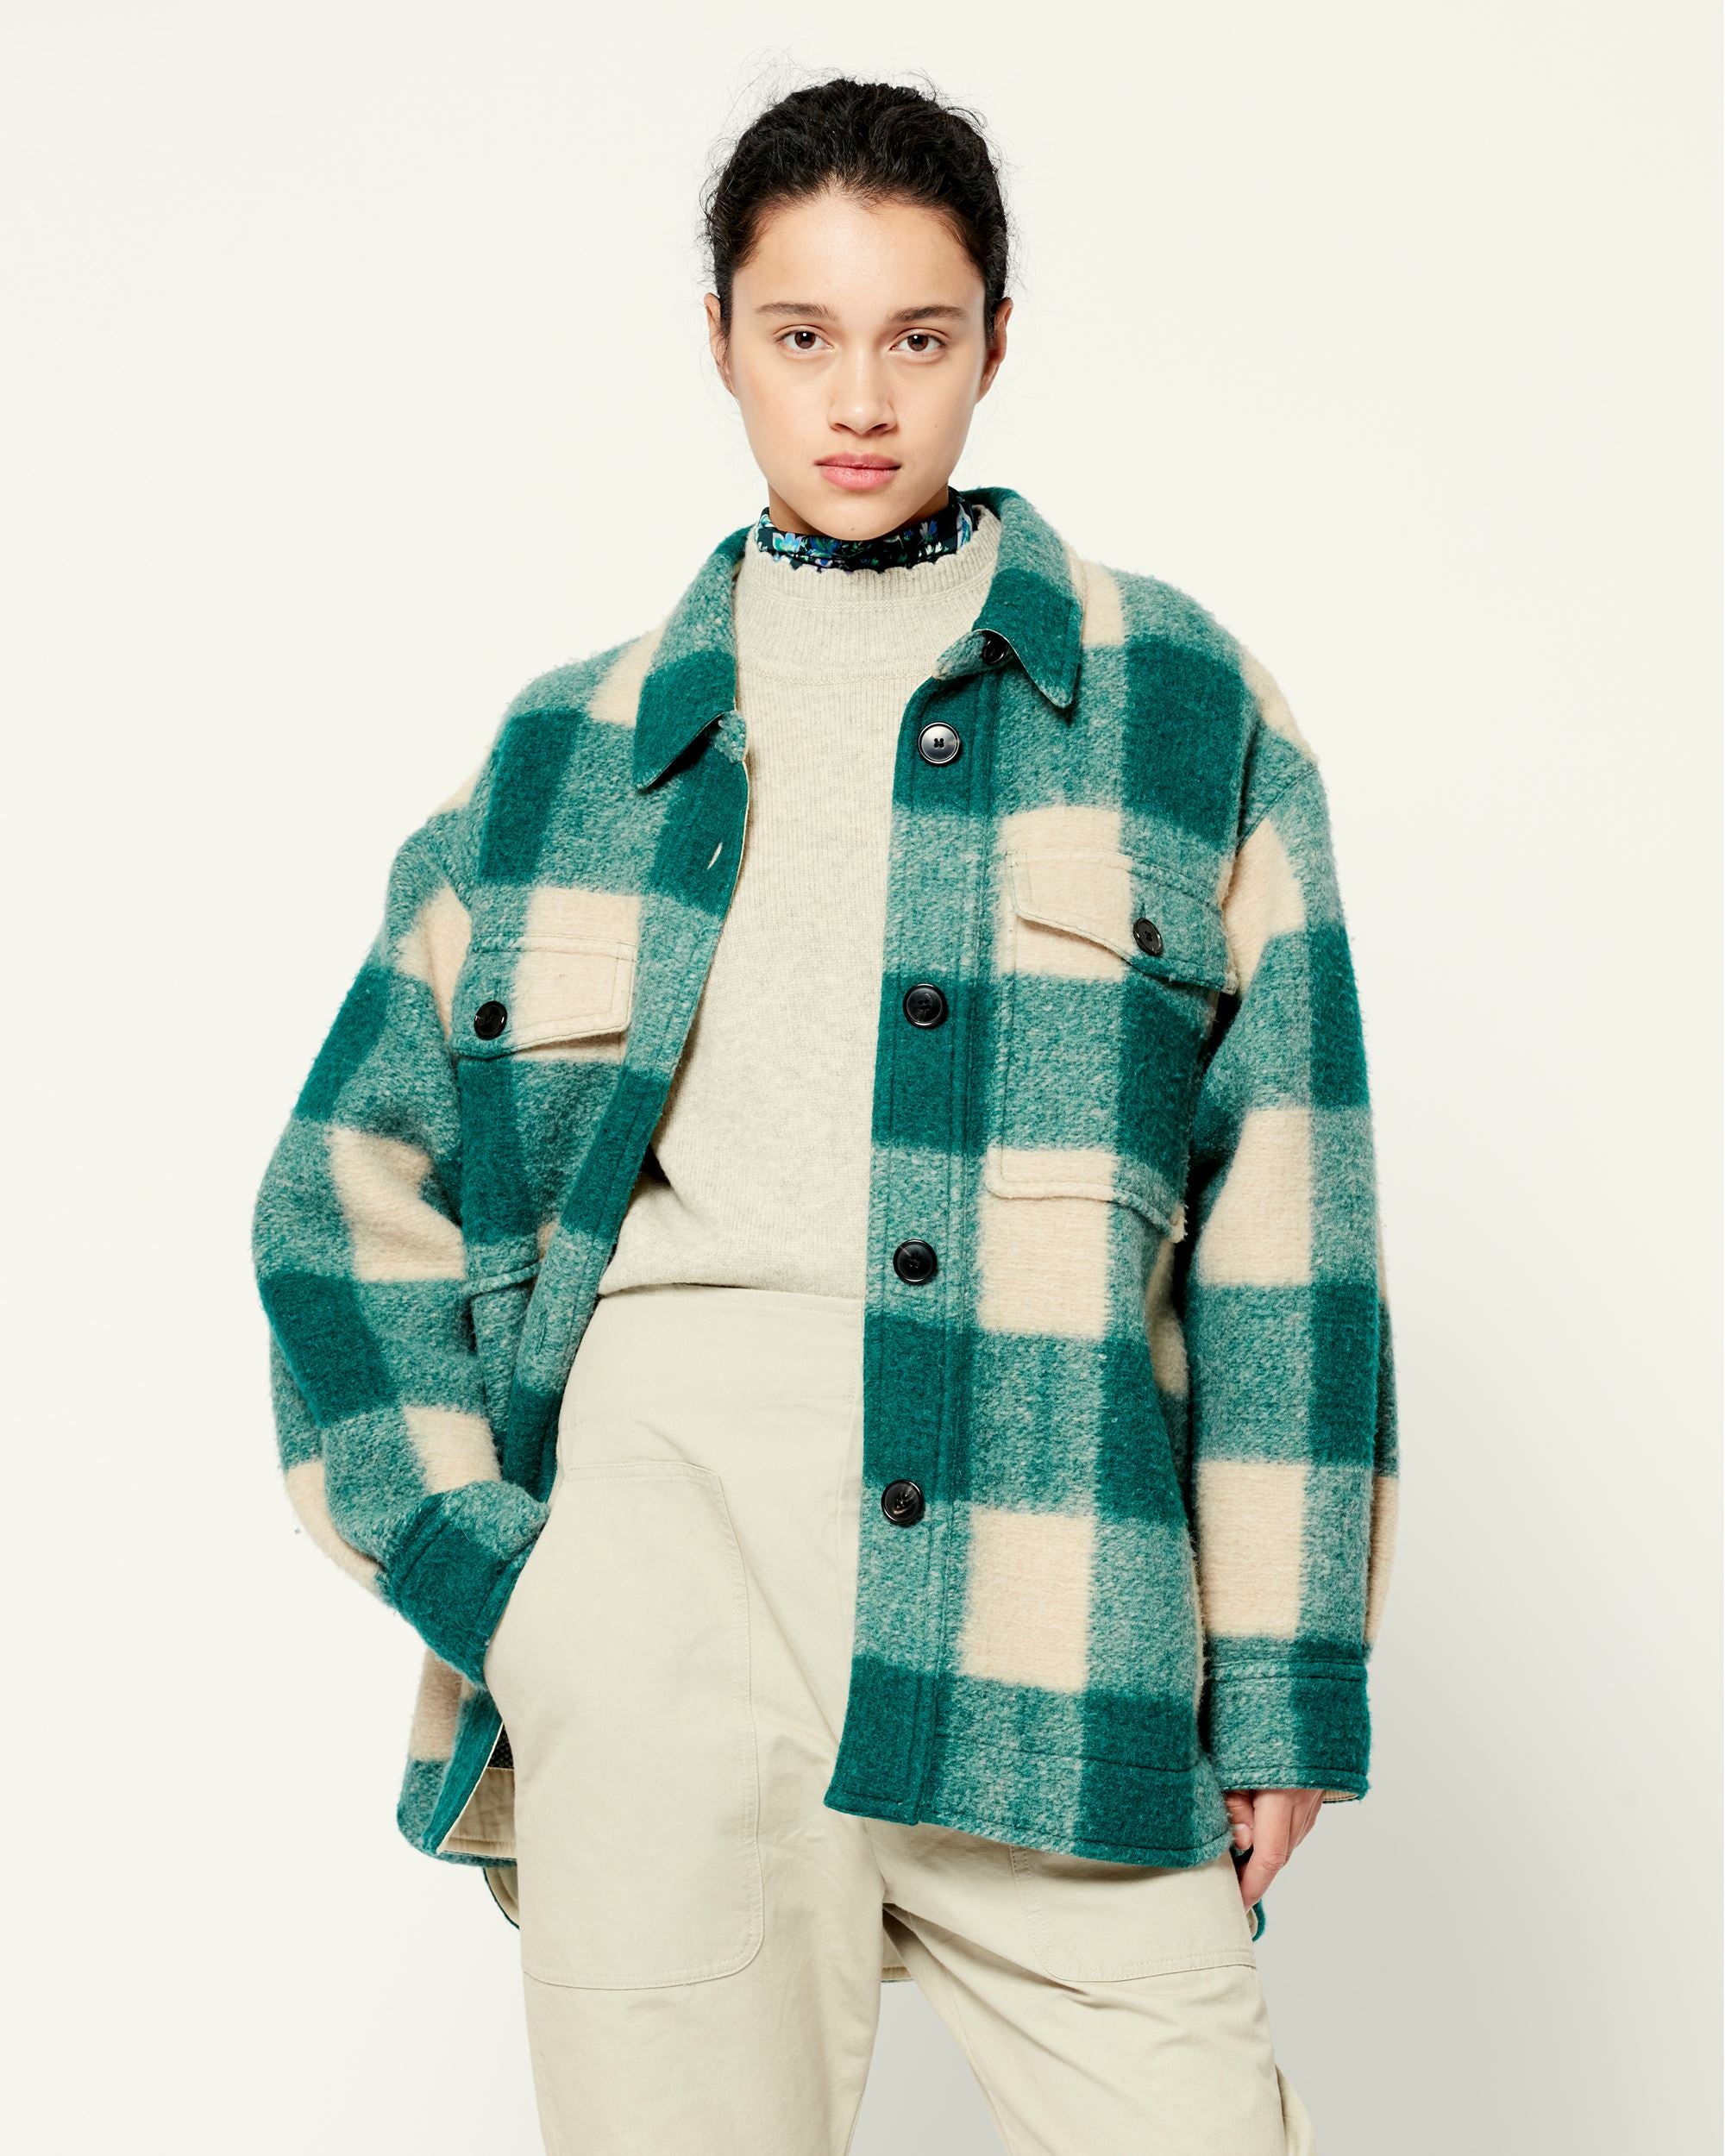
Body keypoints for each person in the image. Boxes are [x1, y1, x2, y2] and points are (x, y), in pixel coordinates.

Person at [252, 72, 1398, 2156]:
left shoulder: (1179, 704)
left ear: (995, 342)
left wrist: (1288, 1668)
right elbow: (341, 1204)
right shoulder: (565, 751)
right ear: (718, 337)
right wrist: (506, 1588)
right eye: (802, 334)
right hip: (659, 1606)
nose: (859, 399)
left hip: (1058, 1587)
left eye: (916, 336)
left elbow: (1287, 1225)